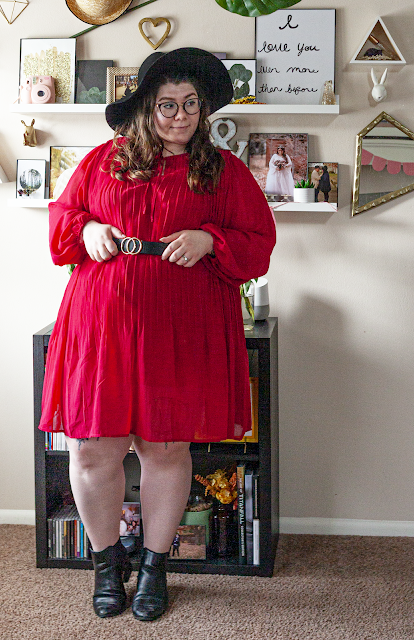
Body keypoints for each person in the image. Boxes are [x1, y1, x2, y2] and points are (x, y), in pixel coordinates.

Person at [38, 48, 276, 622]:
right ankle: (105, 565)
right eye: (167, 104)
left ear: (203, 109)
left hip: (183, 326)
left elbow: (258, 240)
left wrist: (211, 240)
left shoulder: (224, 171)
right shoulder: (102, 161)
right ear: (146, 107)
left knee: (166, 447)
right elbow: (61, 220)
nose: (180, 115)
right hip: (103, 323)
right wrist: (89, 225)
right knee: (94, 447)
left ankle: (153, 567)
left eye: (191, 104)